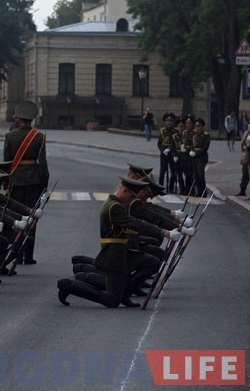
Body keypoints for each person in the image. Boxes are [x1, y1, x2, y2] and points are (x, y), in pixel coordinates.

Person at [57, 177, 192, 308]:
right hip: (114, 256)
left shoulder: (115, 205)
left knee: (154, 263)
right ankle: (70, 286)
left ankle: (124, 293)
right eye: (132, 196)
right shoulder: (113, 207)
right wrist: (166, 233)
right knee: (112, 301)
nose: (133, 200)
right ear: (124, 191)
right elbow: (136, 224)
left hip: (123, 251)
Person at [2, 100, 49, 264]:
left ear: (19, 118)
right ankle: (27, 255)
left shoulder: (10, 136)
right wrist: (44, 185)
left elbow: (6, 163)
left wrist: (5, 183)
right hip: (34, 181)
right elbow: (42, 164)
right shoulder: (39, 137)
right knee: (31, 217)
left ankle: (15, 254)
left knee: (15, 218)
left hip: (15, 180)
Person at [156, 112, 180, 193]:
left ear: (173, 122)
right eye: (167, 120)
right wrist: (163, 150)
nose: (169, 122)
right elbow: (159, 143)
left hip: (173, 154)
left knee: (173, 172)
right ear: (165, 122)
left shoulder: (176, 131)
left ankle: (171, 188)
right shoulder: (162, 131)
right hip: (164, 154)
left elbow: (177, 143)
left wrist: (173, 151)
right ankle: (160, 188)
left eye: (171, 120)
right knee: (162, 171)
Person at [190, 117, 211, 197]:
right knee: (195, 175)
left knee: (200, 175)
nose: (197, 128)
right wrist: (191, 150)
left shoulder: (206, 135)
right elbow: (193, 145)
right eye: (196, 126)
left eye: (199, 126)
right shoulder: (194, 135)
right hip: (194, 157)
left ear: (202, 127)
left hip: (201, 157)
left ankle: (203, 192)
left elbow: (205, 148)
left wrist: (196, 153)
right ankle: (198, 191)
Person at [238, 124, 250, 196]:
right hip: (247, 155)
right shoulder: (247, 133)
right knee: (245, 172)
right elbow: (242, 143)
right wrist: (247, 132)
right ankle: (242, 189)